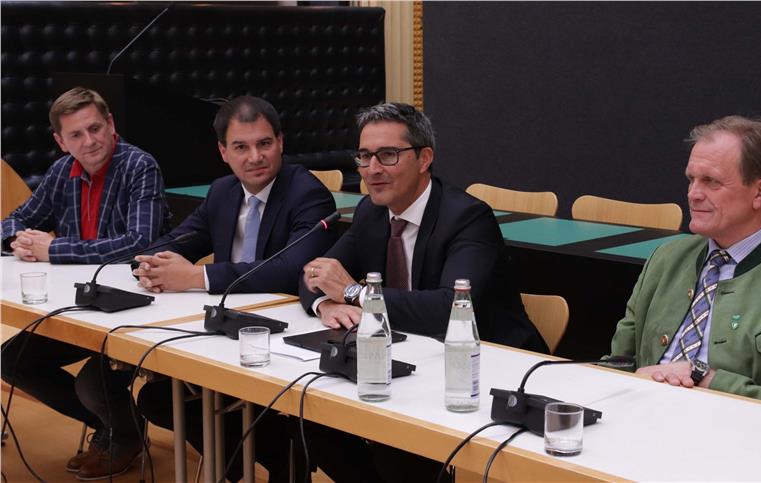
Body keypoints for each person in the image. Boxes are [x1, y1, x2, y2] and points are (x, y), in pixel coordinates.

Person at [298, 102, 546, 482]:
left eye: (388, 155)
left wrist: (353, 293)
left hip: (487, 371)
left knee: (390, 441)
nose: (372, 169)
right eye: (364, 156)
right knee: (313, 416)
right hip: (410, 360)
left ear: (424, 158)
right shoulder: (371, 212)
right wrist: (324, 304)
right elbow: (314, 272)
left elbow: (450, 309)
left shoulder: (467, 217)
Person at [133, 95, 337, 482]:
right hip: (227, 331)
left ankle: (282, 456)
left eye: (264, 143)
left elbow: (290, 270)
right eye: (241, 147)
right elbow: (176, 242)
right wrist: (150, 265)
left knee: (188, 398)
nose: (255, 157)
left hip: (285, 337)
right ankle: (271, 458)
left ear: (281, 142)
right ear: (223, 152)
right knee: (158, 398)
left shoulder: (307, 193)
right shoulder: (223, 191)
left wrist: (196, 277)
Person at [0, 87, 170, 479]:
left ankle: (120, 434)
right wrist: (16, 240)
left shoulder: (139, 166)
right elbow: (15, 219)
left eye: (95, 128)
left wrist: (54, 249)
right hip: (78, 306)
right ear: (61, 141)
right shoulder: (62, 171)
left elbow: (138, 243)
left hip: (136, 310)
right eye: (76, 135)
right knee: (12, 360)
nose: (89, 141)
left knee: (91, 384)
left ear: (111, 124)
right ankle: (116, 429)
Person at [610, 115, 761, 407]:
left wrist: (705, 377)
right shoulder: (665, 259)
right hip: (639, 414)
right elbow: (616, 364)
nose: (693, 194)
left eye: (711, 182)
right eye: (691, 179)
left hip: (742, 430)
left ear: (760, 192)